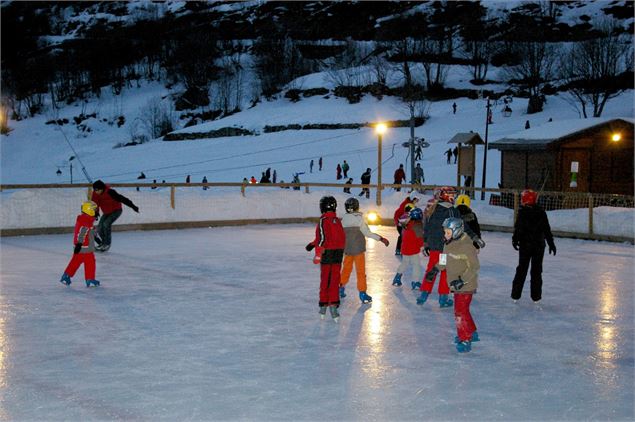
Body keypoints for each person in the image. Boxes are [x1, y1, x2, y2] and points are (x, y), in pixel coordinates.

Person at [418, 186, 485, 307]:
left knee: (432, 269)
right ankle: (443, 299)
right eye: (452, 195)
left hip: (434, 247)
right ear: (445, 196)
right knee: (444, 271)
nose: (454, 197)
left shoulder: (433, 208)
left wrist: (427, 243)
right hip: (444, 248)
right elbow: (463, 226)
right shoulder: (451, 210)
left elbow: (426, 227)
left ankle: (423, 295)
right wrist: (475, 238)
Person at [425, 217, 480, 353]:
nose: (445, 235)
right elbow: (444, 260)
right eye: (445, 232)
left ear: (457, 231)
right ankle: (472, 333)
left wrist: (462, 280)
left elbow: (474, 267)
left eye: (448, 232)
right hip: (456, 285)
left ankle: (465, 339)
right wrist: (435, 269)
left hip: (465, 285)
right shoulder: (448, 243)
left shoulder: (466, 246)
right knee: (464, 310)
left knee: (459, 313)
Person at [340, 198, 389, 304]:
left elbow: (339, 235)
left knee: (346, 270)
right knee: (360, 272)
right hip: (358, 251)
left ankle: (341, 288)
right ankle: (362, 293)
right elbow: (368, 233)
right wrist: (381, 238)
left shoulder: (343, 220)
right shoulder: (359, 219)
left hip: (347, 250)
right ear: (357, 207)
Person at [511, 189, 556, 303]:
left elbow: (518, 228)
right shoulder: (541, 212)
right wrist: (551, 243)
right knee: (536, 271)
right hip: (539, 246)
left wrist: (515, 240)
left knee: (522, 269)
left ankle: (515, 296)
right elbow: (547, 229)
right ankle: (536, 297)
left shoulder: (522, 213)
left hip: (526, 246)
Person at [305, 196, 345, 322]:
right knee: (334, 280)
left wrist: (318, 254)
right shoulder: (337, 220)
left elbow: (322, 238)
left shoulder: (323, 220)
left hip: (327, 254)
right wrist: (312, 244)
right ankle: (334, 306)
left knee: (325, 280)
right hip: (338, 254)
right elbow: (337, 237)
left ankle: (323, 305)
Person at [59, 201, 100, 287]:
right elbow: (82, 233)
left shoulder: (85, 219)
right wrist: (79, 244)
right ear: (89, 211)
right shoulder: (86, 221)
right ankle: (90, 279)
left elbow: (89, 230)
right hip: (85, 247)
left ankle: (66, 276)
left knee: (76, 261)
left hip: (80, 247)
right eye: (95, 210)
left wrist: (96, 238)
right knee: (90, 262)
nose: (97, 211)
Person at [91, 180, 139, 252]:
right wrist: (96, 213)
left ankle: (107, 244)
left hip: (116, 211)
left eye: (98, 190)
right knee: (100, 227)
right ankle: (103, 243)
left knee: (106, 224)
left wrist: (133, 206)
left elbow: (123, 199)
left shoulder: (110, 192)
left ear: (102, 188)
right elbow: (95, 204)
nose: (96, 192)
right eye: (95, 190)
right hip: (106, 212)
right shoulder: (95, 194)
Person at [392, 206, 424, 289]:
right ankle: (415, 282)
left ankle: (397, 277)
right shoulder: (417, 226)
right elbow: (420, 239)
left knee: (405, 263)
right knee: (416, 265)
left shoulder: (407, 224)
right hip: (413, 250)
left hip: (405, 249)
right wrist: (423, 246)